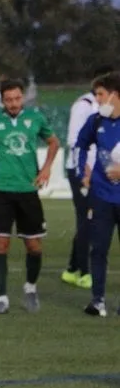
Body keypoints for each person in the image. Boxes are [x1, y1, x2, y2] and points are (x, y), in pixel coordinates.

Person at [0, 79, 60, 314]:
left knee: (34, 246)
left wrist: (46, 168)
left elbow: (53, 141)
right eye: (9, 99)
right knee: (0, 244)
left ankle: (30, 288)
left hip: (28, 191)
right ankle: (2, 299)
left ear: (23, 97)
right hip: (2, 191)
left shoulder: (35, 119)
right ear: (2, 100)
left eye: (17, 98)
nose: (14, 103)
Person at [62, 65, 114, 289]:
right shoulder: (83, 106)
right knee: (88, 220)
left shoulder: (108, 108)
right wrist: (85, 170)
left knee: (91, 220)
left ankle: (73, 268)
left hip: (101, 173)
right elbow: (75, 141)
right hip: (81, 172)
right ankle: (84, 271)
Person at [74, 70, 120, 317]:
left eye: (101, 94)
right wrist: (84, 171)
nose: (97, 100)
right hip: (101, 197)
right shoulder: (96, 121)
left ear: (114, 95)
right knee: (98, 249)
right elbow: (80, 144)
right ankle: (98, 300)